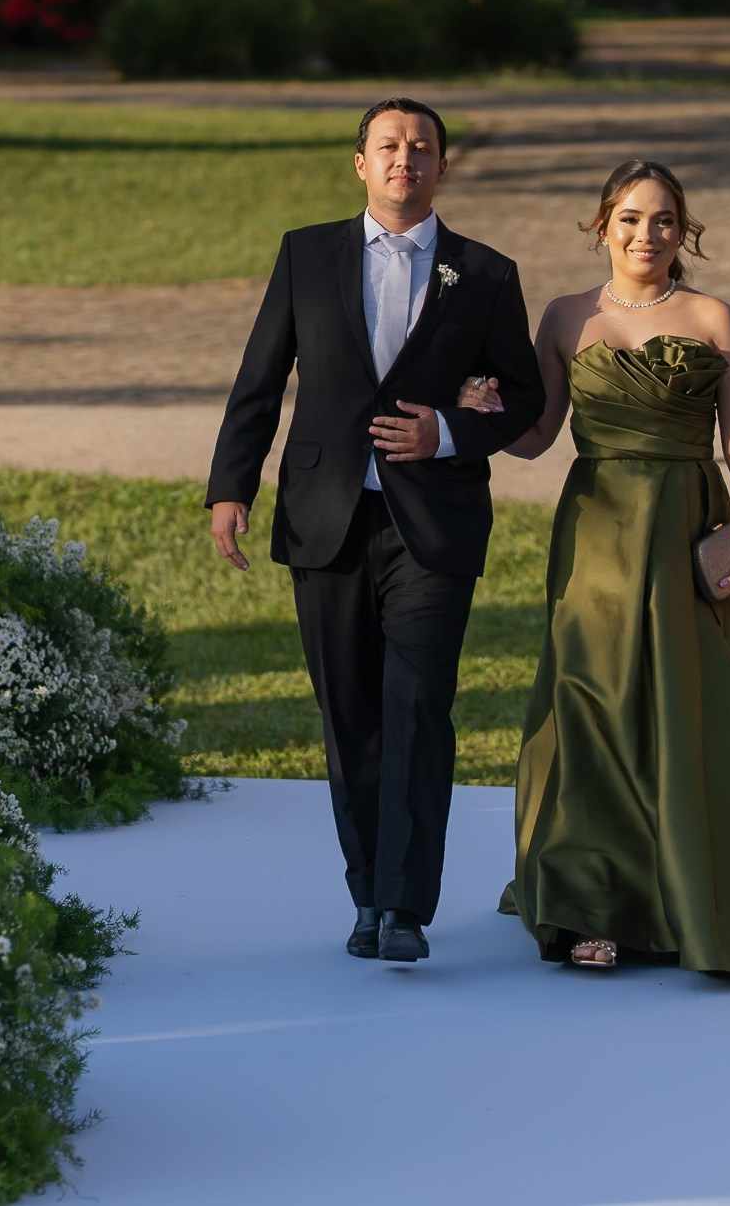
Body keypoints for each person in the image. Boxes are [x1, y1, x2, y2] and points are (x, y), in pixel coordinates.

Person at [205, 98, 544, 965]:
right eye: (389, 146)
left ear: (442, 165)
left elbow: (525, 396)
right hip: (326, 517)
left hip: (435, 523)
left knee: (419, 706)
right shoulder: (305, 253)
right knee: (349, 712)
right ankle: (366, 894)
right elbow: (259, 378)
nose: (406, 159)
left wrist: (450, 431)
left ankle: (404, 909)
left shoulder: (487, 274)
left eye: (421, 147)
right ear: (360, 162)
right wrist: (230, 487)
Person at [463, 160, 730, 977]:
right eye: (630, 219)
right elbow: (539, 435)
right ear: (601, 225)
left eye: (663, 221)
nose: (646, 235)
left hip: (686, 527)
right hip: (599, 536)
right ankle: (592, 906)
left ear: (683, 232)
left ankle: (691, 899)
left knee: (691, 706)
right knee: (593, 703)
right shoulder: (565, 318)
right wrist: (478, 410)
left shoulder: (714, 316)